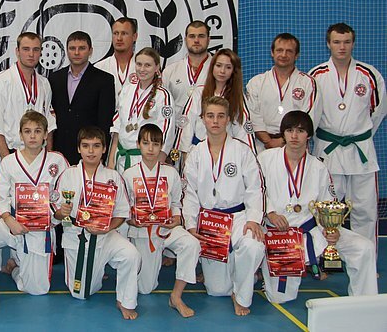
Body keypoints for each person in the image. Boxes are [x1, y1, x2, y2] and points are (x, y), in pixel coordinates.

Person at [259, 111, 377, 303]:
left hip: (312, 232)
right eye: (289, 130)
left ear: (309, 135)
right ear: (283, 134)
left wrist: (331, 229)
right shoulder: (265, 159)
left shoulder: (319, 167)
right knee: (280, 297)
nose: (294, 136)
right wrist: (270, 212)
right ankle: (267, 273)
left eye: (300, 131)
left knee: (363, 247)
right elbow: (255, 191)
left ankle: (366, 301)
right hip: (279, 236)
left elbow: (327, 205)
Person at [0, 111, 69, 317]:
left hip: (41, 228)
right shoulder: (9, 162)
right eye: (27, 131)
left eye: (37, 131)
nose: (32, 136)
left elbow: (63, 197)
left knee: (37, 290)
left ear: (45, 134)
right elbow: (1, 197)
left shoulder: (57, 161)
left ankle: (14, 267)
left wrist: (55, 215)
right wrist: (8, 219)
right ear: (20, 135)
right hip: (12, 222)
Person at [182, 96, 265, 316]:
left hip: (238, 217)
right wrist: (191, 224)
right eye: (210, 116)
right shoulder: (196, 153)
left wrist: (253, 219)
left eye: (220, 116)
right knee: (217, 290)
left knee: (253, 246)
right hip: (210, 222)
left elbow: (255, 187)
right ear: (203, 119)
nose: (215, 121)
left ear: (228, 119)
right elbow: (189, 193)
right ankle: (239, 271)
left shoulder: (242, 150)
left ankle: (242, 295)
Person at [309, 23, 385, 252]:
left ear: (353, 43)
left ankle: (365, 260)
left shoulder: (369, 74)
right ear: (328, 44)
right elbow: (310, 114)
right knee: (326, 208)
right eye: (336, 42)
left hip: (361, 150)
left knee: (365, 210)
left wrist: (360, 134)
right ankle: (326, 257)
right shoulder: (317, 75)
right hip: (328, 149)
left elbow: (378, 111)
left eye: (346, 42)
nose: (341, 47)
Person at [55, 126, 141, 320]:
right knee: (81, 294)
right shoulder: (68, 175)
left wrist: (108, 228)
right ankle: (96, 272)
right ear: (78, 149)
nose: (91, 151)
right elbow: (56, 213)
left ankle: (125, 301)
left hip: (106, 235)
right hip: (76, 236)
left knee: (131, 254)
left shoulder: (113, 177)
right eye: (86, 146)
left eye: (96, 146)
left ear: (104, 149)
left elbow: (122, 212)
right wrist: (62, 212)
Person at [121, 124, 200, 318]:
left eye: (155, 144)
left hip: (166, 228)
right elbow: (124, 208)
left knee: (191, 244)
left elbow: (176, 203)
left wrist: (176, 218)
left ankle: (176, 296)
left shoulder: (170, 173)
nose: (150, 148)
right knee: (145, 288)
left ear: (161, 146)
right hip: (142, 231)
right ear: (138, 144)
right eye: (146, 143)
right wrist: (131, 220)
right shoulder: (129, 174)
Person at [49, 31, 116, 165]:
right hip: (60, 150)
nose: (76, 52)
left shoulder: (104, 80)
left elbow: (105, 121)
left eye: (82, 48)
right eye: (72, 48)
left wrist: (100, 154)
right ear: (67, 50)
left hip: (89, 150)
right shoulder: (55, 78)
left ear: (90, 50)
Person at [175, 48, 256, 157]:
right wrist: (184, 153)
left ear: (234, 71)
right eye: (218, 65)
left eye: (228, 67)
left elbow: (243, 128)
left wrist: (248, 156)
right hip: (199, 151)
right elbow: (187, 124)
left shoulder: (237, 97)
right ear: (212, 67)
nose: (222, 71)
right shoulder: (199, 92)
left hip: (227, 153)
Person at [246, 33, 319, 152]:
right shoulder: (256, 82)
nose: (284, 55)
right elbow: (252, 116)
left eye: (289, 51)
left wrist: (283, 140)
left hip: (295, 145)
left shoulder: (308, 83)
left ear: (297, 55)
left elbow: (309, 119)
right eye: (279, 50)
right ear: (272, 52)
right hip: (262, 146)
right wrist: (268, 141)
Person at [0, 32, 57, 158]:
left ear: (40, 52)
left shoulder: (44, 83)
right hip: (11, 151)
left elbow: (49, 123)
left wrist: (48, 157)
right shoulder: (2, 81)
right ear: (17, 51)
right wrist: (7, 161)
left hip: (39, 153)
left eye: (36, 49)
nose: (31, 54)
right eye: (26, 49)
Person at [108, 47, 175, 172]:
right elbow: (117, 127)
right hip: (122, 156)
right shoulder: (127, 89)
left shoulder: (163, 95)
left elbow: (167, 133)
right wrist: (111, 161)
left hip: (147, 160)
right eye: (139, 64)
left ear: (157, 67)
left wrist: (156, 167)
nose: (142, 69)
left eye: (147, 65)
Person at [162, 20, 212, 117]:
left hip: (207, 124)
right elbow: (163, 104)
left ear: (208, 39)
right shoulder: (170, 71)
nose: (196, 40)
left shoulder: (218, 70)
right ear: (185, 40)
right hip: (177, 124)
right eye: (192, 36)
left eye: (201, 36)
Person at [95, 17, 138, 101]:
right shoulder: (99, 68)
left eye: (124, 33)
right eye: (115, 33)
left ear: (134, 36)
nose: (119, 38)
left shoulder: (145, 68)